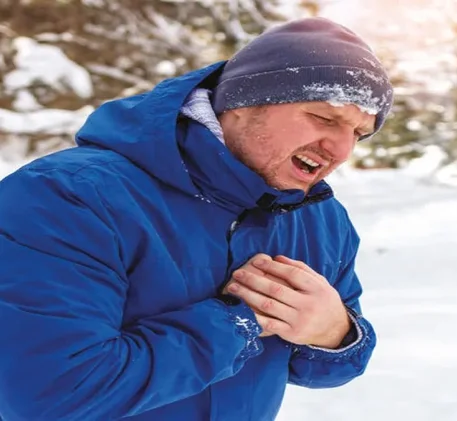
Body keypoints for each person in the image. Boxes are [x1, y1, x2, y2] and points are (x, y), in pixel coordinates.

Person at [0, 17, 392, 421]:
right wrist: (238, 324)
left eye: (359, 134)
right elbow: (49, 394)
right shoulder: (68, 196)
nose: (342, 150)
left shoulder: (318, 217)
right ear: (243, 103)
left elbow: (320, 367)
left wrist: (334, 333)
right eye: (325, 118)